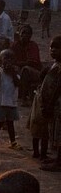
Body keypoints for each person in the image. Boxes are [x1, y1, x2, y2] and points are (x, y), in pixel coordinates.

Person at [40, 36, 61, 172]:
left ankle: (59, 162)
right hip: (55, 104)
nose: (53, 50)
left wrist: (50, 104)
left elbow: (58, 87)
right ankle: (58, 158)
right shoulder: (56, 64)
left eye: (57, 48)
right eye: (51, 47)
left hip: (58, 103)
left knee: (60, 133)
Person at [11, 25, 42, 106]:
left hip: (35, 72)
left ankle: (24, 98)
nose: (25, 35)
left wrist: (17, 63)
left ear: (30, 35)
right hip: (21, 70)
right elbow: (10, 59)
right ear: (19, 34)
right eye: (23, 33)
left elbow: (32, 62)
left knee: (25, 69)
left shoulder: (33, 45)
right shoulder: (15, 45)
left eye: (27, 33)